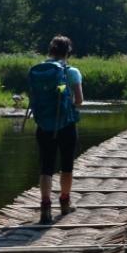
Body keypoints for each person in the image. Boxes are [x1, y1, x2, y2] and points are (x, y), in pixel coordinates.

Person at [28, 35, 84, 224]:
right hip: (66, 125)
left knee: (46, 167)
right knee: (66, 165)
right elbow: (79, 101)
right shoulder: (72, 72)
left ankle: (45, 208)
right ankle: (65, 203)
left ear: (50, 50)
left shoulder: (38, 70)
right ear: (68, 52)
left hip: (43, 125)